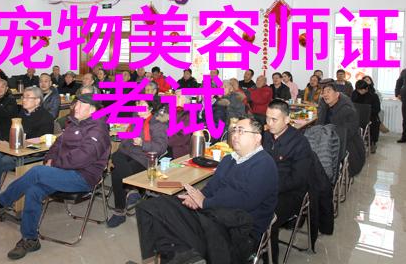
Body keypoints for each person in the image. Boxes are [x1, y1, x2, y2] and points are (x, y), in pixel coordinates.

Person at [0, 92, 111, 260]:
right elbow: (57, 144)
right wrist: (49, 158)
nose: (76, 107)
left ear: (93, 110)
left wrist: (55, 163)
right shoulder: (74, 123)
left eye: (81, 104)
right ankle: (30, 239)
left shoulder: (98, 129)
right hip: (63, 172)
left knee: (37, 172)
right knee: (34, 190)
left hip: (83, 177)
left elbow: (82, 158)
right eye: (76, 103)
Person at [135, 117, 278, 264]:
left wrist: (205, 203)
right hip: (213, 214)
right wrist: (196, 197)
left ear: (257, 138)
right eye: (234, 130)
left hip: (238, 231)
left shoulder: (264, 164)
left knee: (175, 224)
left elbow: (246, 201)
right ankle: (166, 259)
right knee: (150, 207)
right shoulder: (229, 159)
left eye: (241, 131)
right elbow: (211, 187)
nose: (235, 135)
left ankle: (186, 257)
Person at [0, 86, 54, 215]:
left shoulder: (45, 117)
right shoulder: (22, 114)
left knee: (2, 160)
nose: (23, 100)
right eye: (23, 96)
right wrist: (5, 142)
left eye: (28, 97)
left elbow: (42, 144)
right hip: (16, 148)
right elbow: (13, 132)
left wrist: (16, 144)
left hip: (31, 155)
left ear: (37, 101)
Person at [262, 100, 312, 264]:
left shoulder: (299, 142)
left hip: (290, 193)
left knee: (266, 215)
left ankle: (270, 259)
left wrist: (269, 188)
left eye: (274, 119)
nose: (269, 123)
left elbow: (298, 179)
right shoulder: (266, 136)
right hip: (266, 187)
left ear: (287, 120)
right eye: (267, 118)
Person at [107, 100, 168, 228]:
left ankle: (120, 212)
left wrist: (142, 143)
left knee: (117, 172)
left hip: (143, 158)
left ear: (150, 108)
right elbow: (124, 137)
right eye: (138, 104)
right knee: (117, 158)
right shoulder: (135, 119)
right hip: (125, 152)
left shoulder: (158, 124)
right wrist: (122, 132)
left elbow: (161, 148)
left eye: (142, 105)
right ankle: (132, 189)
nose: (138, 107)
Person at [317, 83, 365, 177]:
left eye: (328, 91)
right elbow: (320, 125)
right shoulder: (325, 108)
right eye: (323, 92)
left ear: (337, 94)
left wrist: (326, 136)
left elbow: (346, 133)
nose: (325, 94)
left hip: (347, 145)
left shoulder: (347, 110)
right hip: (327, 141)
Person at [352, 80, 381, 153]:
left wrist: (367, 112)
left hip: (370, 115)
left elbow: (377, 109)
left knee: (374, 123)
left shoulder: (373, 96)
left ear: (366, 88)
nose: (360, 92)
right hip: (356, 116)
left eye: (362, 90)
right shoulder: (354, 94)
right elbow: (351, 105)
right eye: (358, 90)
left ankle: (373, 143)